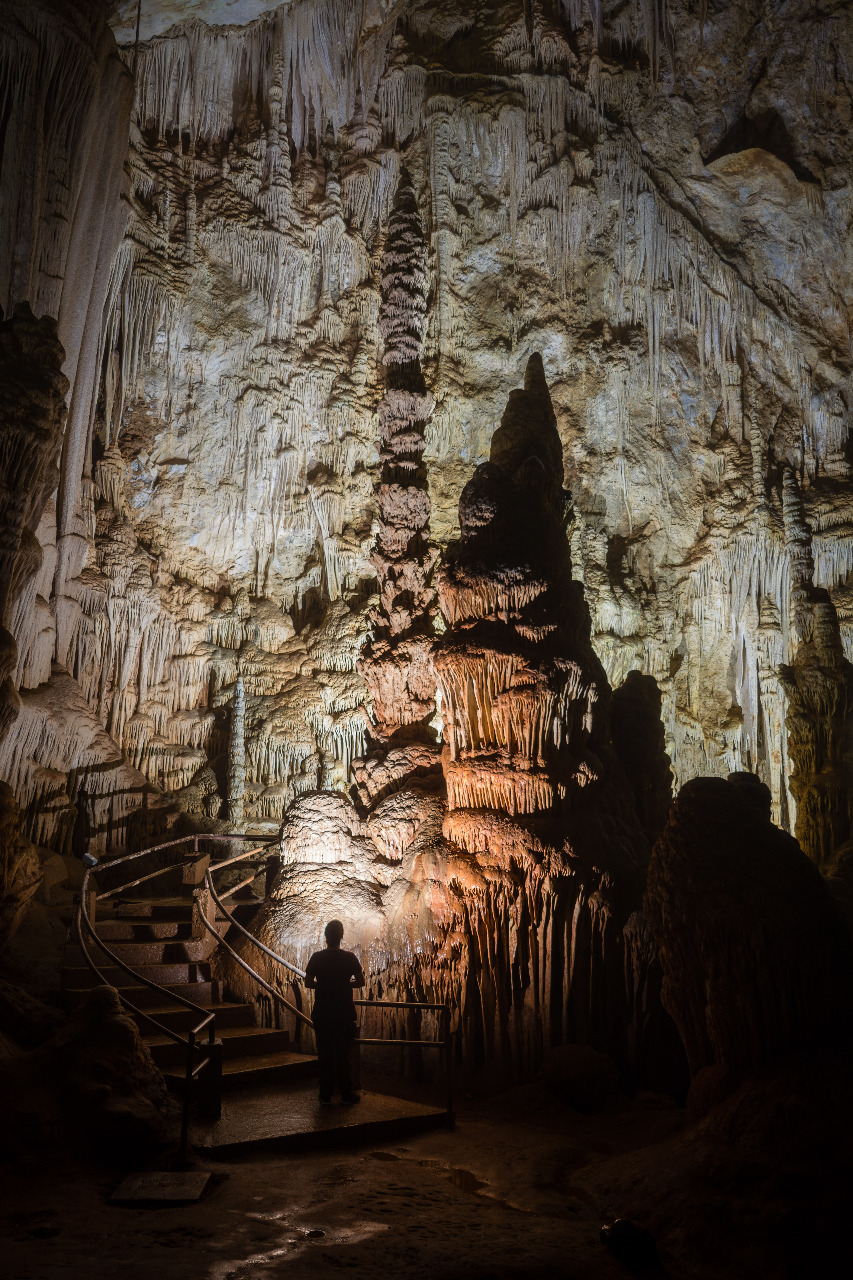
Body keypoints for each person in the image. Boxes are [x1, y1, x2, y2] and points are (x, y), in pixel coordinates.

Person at [304, 919, 365, 1105]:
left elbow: (308, 983)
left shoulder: (316, 957)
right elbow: (361, 981)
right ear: (341, 936)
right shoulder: (350, 958)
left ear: (325, 936)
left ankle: (325, 1094)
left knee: (324, 1054)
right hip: (344, 1012)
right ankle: (346, 1093)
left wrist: (324, 985)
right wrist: (345, 984)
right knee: (343, 1054)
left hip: (322, 1012)